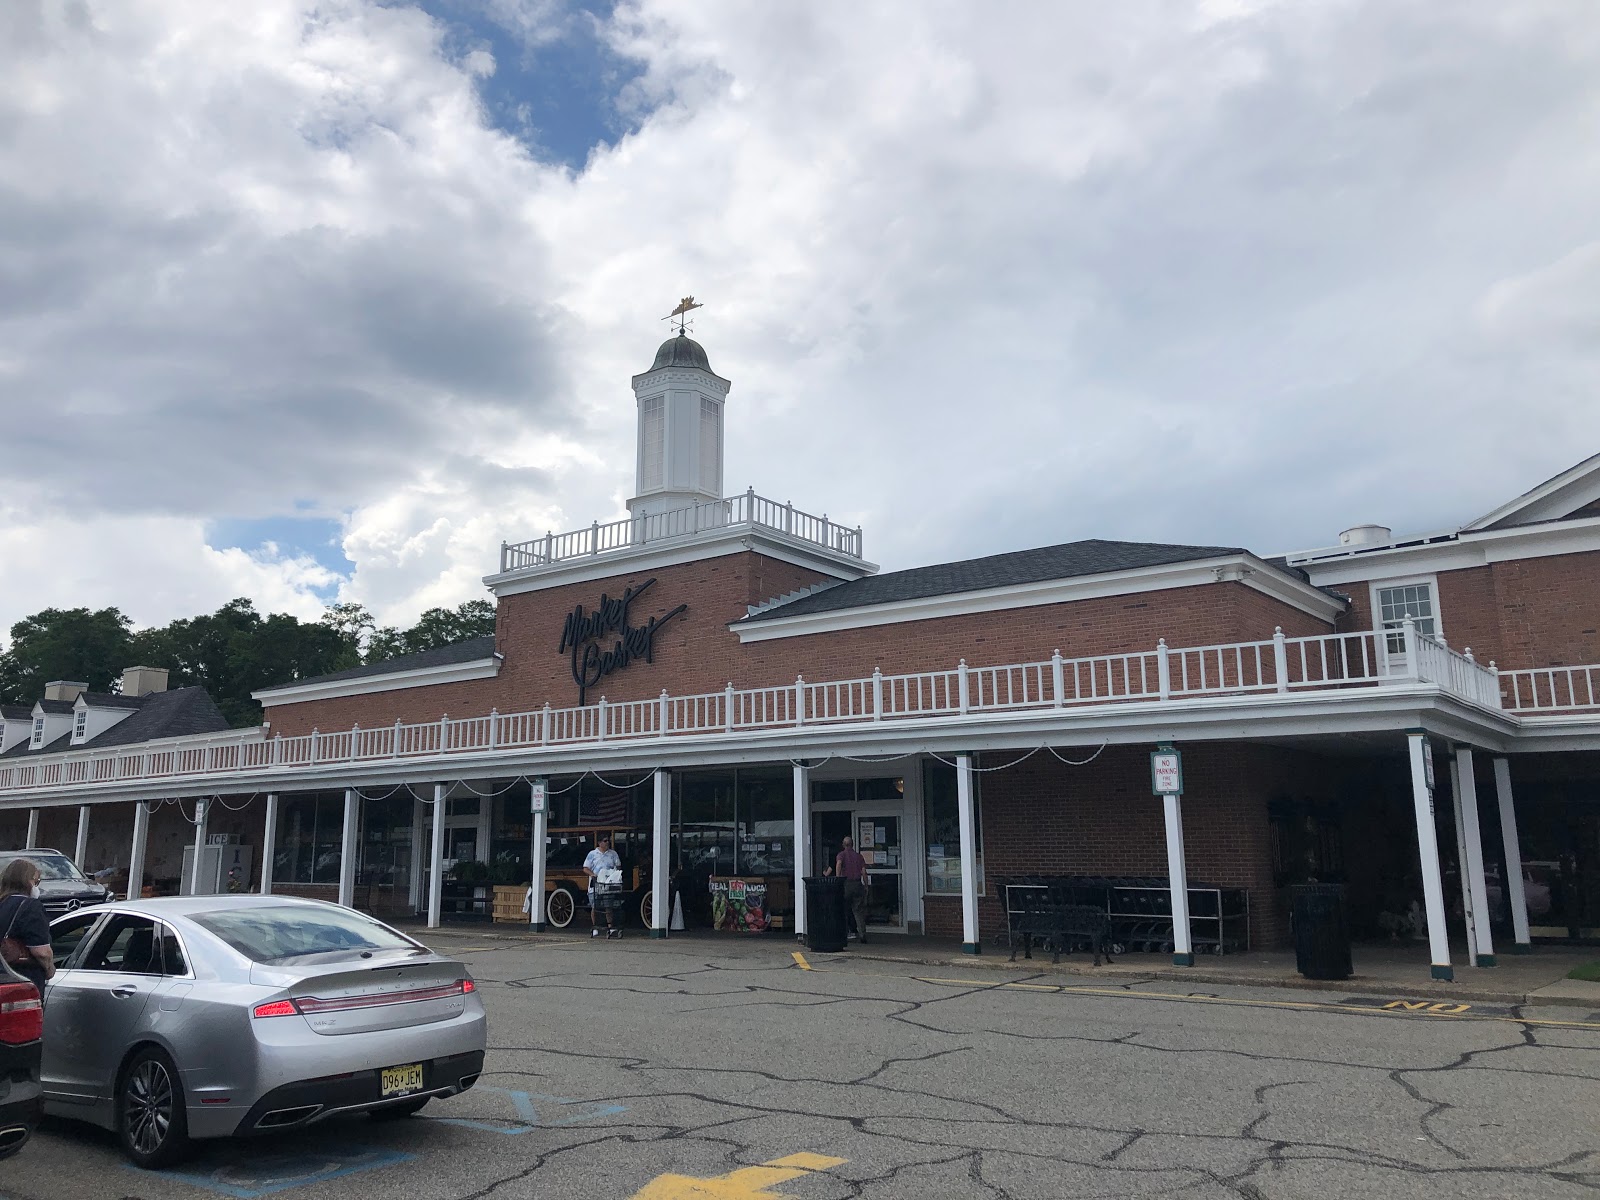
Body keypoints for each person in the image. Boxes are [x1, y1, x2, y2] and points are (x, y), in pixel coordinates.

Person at [0, 858, 55, 999]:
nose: (37, 887)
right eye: (35, 882)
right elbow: (42, 952)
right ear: (25, 881)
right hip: (23, 982)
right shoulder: (30, 907)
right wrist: (49, 969)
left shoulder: (3, 903)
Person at [584, 835, 622, 939]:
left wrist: (614, 873)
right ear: (599, 842)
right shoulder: (592, 854)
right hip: (596, 884)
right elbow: (585, 868)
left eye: (608, 841)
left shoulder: (613, 854)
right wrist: (592, 875)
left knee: (608, 905)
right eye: (605, 841)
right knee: (594, 906)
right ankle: (595, 927)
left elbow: (618, 866)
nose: (607, 843)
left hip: (608, 884)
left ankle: (610, 926)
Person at [835, 836, 868, 944]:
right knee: (858, 911)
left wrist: (838, 879)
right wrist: (866, 885)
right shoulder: (859, 857)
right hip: (858, 884)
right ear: (853, 844)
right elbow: (863, 871)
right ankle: (862, 934)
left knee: (843, 910)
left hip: (846, 884)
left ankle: (843, 934)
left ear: (843, 845)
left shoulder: (841, 855)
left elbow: (839, 864)